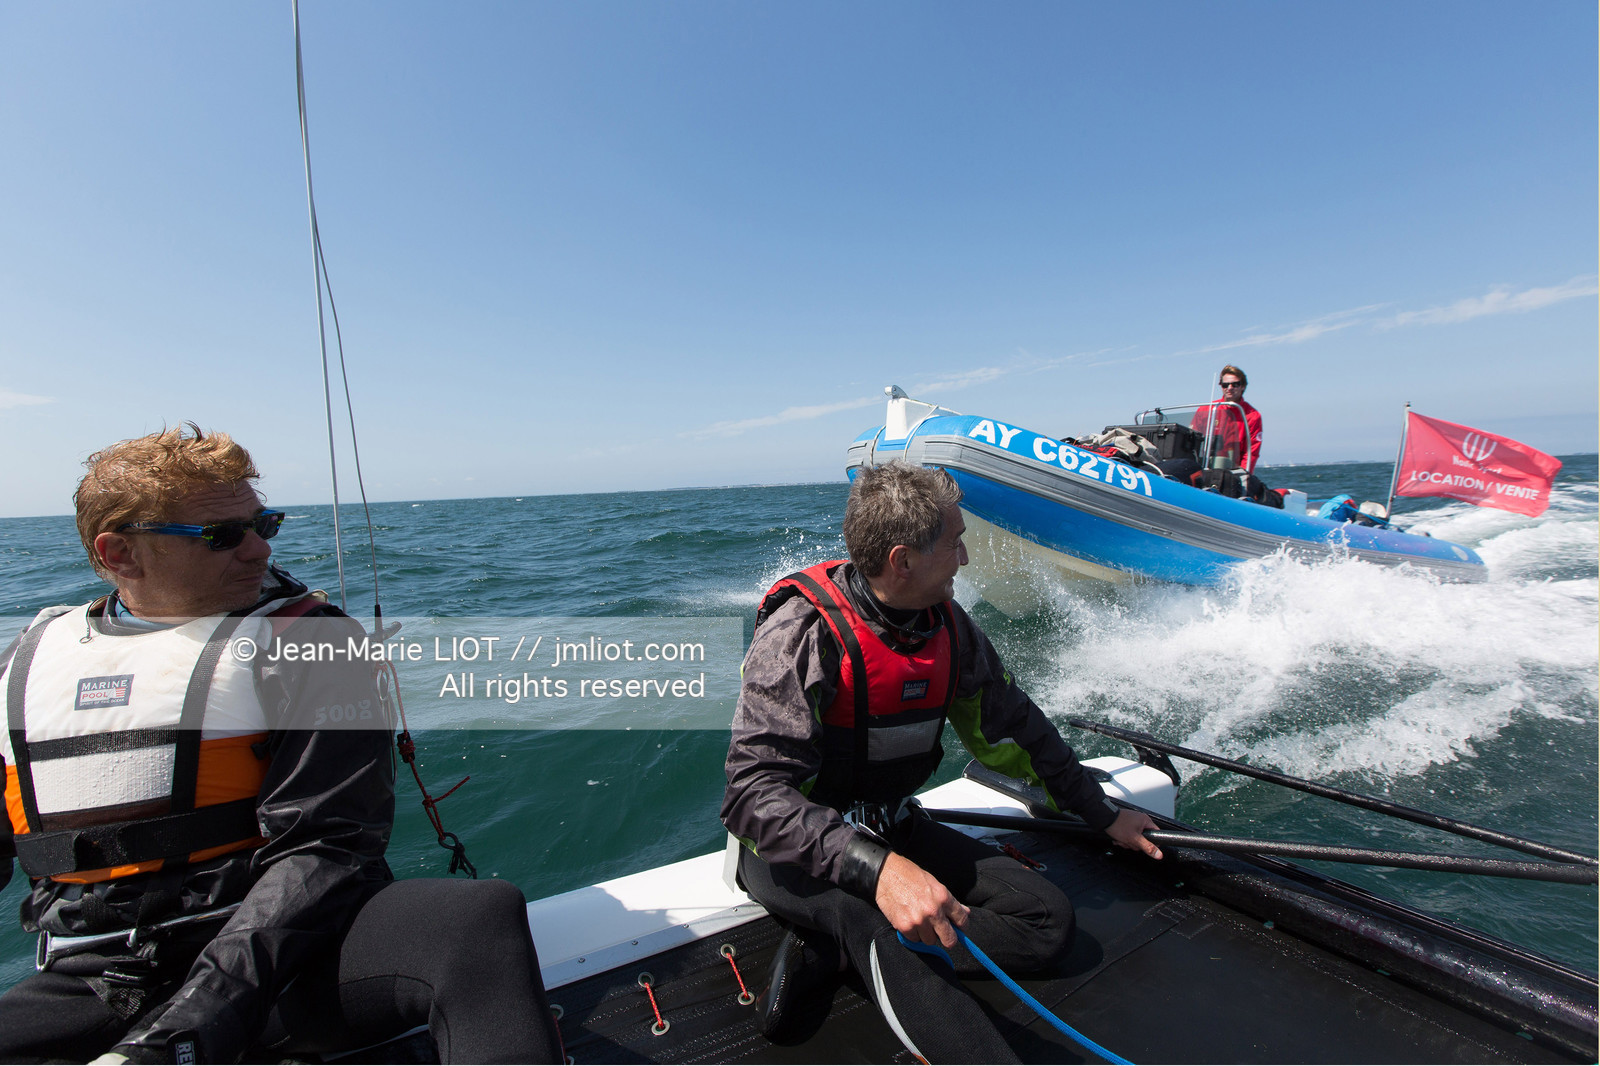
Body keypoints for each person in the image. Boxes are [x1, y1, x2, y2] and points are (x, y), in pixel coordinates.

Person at [0, 426, 562, 1064]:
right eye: (222, 535)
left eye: (264, 522)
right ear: (119, 553)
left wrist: (187, 1030)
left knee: (472, 921)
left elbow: (326, 846)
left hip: (298, 956)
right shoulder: (24, 666)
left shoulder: (309, 643)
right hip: (99, 975)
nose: (257, 549)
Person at [721, 461, 1161, 1063]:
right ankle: (867, 942)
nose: (966, 558)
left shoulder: (950, 629)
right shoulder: (802, 633)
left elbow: (1021, 728)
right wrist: (880, 873)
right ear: (903, 560)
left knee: (1048, 921)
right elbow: (753, 796)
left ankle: (843, 950)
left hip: (895, 825)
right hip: (794, 856)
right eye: (955, 543)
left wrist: (1101, 812)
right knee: (879, 922)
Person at [1191, 364, 1262, 472]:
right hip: (1205, 468)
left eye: (1235, 384)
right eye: (1225, 385)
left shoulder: (1252, 416)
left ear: (1242, 386)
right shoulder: (1206, 410)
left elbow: (1251, 452)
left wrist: (1242, 475)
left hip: (1233, 471)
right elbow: (1192, 440)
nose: (1229, 388)